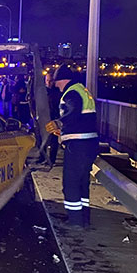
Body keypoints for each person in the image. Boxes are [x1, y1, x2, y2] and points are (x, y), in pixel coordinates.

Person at [45, 64, 98, 228]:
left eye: (56, 81)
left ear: (62, 80)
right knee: (82, 183)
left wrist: (58, 123)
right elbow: (81, 117)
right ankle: (84, 219)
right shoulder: (81, 90)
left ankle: (75, 222)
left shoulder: (72, 93)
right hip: (88, 143)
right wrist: (63, 131)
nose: (55, 85)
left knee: (71, 183)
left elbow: (73, 113)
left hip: (78, 145)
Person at [45, 72, 61, 165]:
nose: (49, 83)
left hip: (54, 118)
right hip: (45, 117)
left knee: (54, 140)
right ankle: (44, 157)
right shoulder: (44, 92)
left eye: (50, 81)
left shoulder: (57, 92)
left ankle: (52, 159)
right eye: (47, 81)